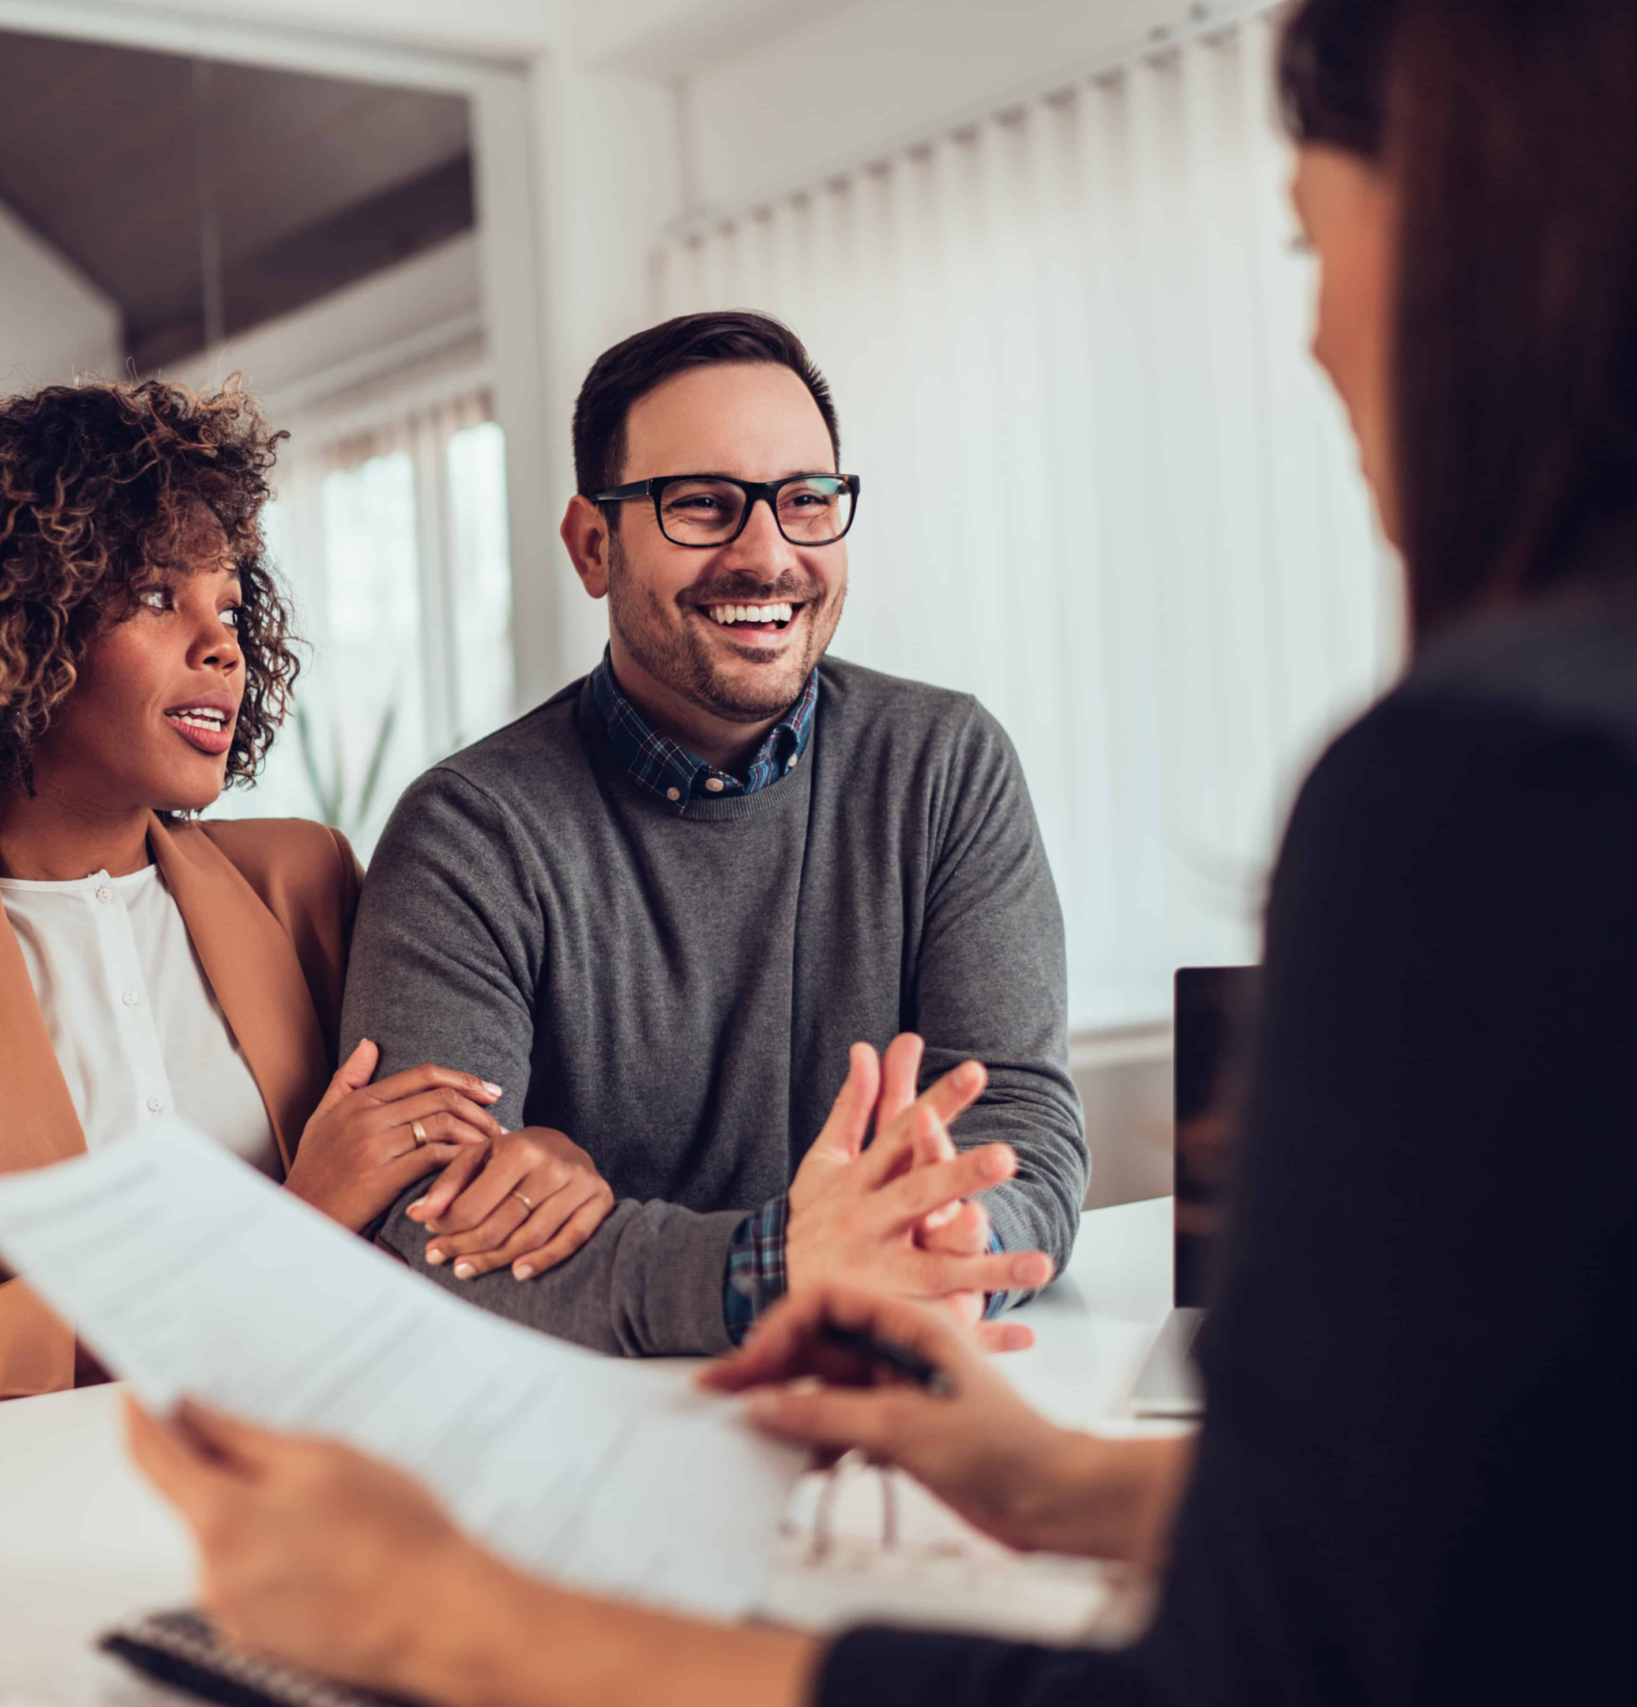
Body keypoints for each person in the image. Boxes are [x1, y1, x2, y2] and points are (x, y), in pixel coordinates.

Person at [120, 0, 1637, 1699]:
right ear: (594, 544)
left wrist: (459, 1624)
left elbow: (1271, 1658)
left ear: (1488, 240)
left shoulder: (1525, 777)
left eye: (1308, 242)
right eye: (701, 505)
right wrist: (1046, 1473)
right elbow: (1620, 1516)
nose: (1308, 335)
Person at [0, 380, 590, 1432]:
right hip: (26, 1519)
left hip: (337, 1469)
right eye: (154, 597)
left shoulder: (304, 881)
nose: (222, 643)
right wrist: (287, 1226)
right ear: (7, 631)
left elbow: (439, 1194)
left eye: (228, 604)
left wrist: (549, 1161)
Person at [339, 311, 1083, 1355]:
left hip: (899, 1385)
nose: (767, 555)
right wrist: (777, 1276)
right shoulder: (468, 834)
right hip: (582, 1442)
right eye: (700, 506)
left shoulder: (945, 765)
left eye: (806, 502)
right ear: (593, 546)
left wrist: (933, 1255)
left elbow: (1021, 1132)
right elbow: (436, 1226)